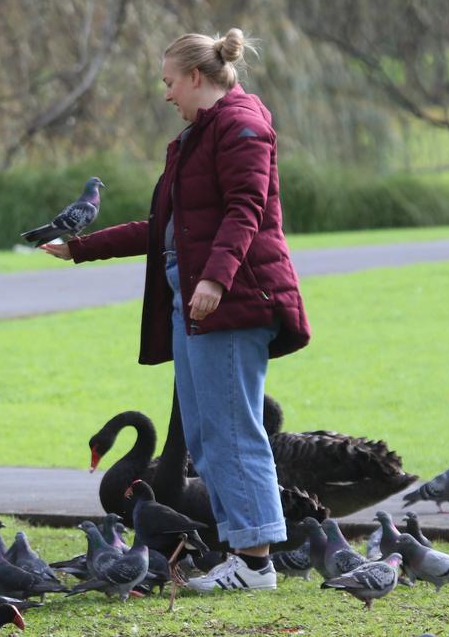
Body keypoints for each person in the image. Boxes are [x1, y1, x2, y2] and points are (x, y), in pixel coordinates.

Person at [41, 29, 310, 592]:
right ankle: (245, 552)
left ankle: (256, 563)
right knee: (208, 436)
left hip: (230, 300)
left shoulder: (241, 125)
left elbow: (246, 208)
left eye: (169, 82)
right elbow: (161, 228)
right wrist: (81, 248)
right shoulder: (196, 138)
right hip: (195, 298)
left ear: (195, 76)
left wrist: (215, 278)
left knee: (234, 430)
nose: (166, 94)